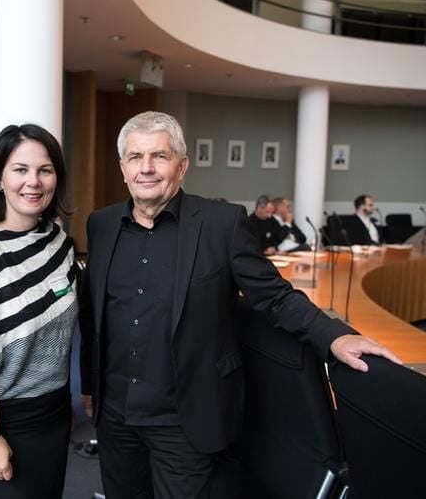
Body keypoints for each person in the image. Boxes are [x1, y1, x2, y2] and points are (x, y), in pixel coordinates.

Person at [79, 111, 399, 499]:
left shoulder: (221, 223)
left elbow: (274, 296)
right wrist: (90, 384)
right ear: (123, 168)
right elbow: (92, 311)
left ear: (182, 167)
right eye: (135, 157)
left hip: (184, 417)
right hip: (116, 416)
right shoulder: (102, 224)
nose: (147, 168)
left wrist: (334, 338)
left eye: (159, 157)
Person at [0, 124, 76, 498]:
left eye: (45, 170)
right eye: (20, 169)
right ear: (0, 178)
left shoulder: (59, 241)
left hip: (53, 415)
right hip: (1, 419)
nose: (33, 182)